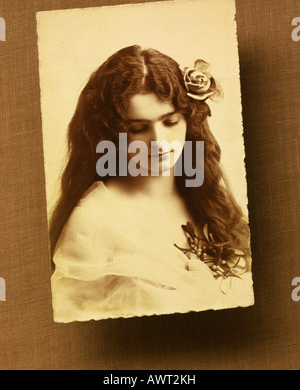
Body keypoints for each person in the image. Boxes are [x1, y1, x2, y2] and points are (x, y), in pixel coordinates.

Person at [49, 45, 254, 322]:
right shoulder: (92, 224)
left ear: (188, 120)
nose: (159, 142)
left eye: (170, 122)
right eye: (138, 128)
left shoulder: (205, 195)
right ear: (111, 134)